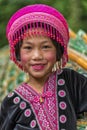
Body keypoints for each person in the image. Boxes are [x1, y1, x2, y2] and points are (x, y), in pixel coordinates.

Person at [0, 4, 87, 130]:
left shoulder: (71, 82)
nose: (37, 56)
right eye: (28, 48)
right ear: (18, 55)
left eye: (45, 47)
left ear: (58, 52)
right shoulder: (11, 102)